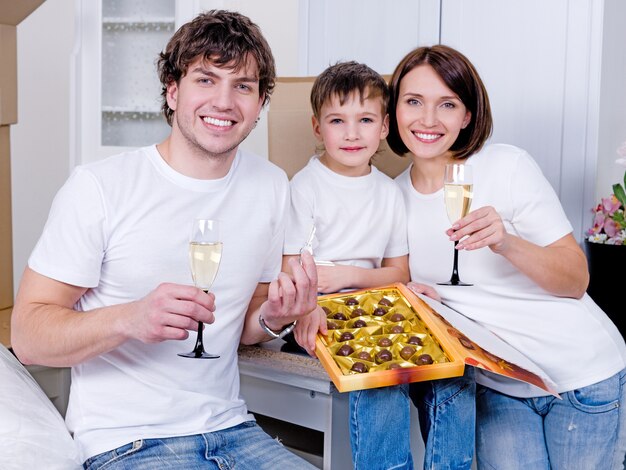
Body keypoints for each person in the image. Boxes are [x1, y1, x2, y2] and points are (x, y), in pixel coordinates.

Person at [10, 11, 319, 470]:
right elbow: (28, 336)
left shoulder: (272, 186)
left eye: (243, 86)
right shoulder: (99, 187)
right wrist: (130, 319)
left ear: (259, 104)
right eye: (206, 79)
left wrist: (274, 317)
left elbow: (241, 321)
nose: (224, 100)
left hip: (234, 430)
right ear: (173, 91)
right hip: (127, 443)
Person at [387, 44, 626, 469]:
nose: (427, 120)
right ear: (394, 111)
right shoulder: (389, 198)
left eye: (447, 104)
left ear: (468, 116)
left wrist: (506, 242)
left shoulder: (506, 166)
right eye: (413, 102)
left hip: (581, 375)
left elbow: (576, 280)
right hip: (500, 387)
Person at [283, 61, 414, 469]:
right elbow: (291, 271)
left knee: (442, 368)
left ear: (385, 126)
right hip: (315, 313)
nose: (353, 133)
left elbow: (400, 275)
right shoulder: (304, 187)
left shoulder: (390, 193)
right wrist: (312, 302)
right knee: (381, 378)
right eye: (338, 120)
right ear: (317, 128)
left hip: (373, 311)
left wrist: (349, 275)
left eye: (365, 119)